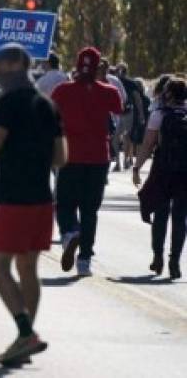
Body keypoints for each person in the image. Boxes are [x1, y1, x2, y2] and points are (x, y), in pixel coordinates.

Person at [0, 44, 67, 367]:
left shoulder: (6, 104)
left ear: (15, 63)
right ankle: (24, 338)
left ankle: (25, 332)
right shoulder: (48, 105)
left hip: (13, 198)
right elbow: (61, 157)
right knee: (28, 268)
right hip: (43, 198)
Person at [51, 47, 122, 277]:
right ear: (99, 67)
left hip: (70, 156)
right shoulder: (109, 92)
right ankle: (84, 260)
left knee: (64, 204)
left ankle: (71, 233)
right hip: (98, 158)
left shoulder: (62, 91)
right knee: (90, 210)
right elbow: (120, 111)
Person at [133, 76, 187, 280]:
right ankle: (175, 261)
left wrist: (137, 167)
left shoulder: (159, 114)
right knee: (180, 218)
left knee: (161, 215)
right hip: (184, 172)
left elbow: (147, 145)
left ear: (169, 94)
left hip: (163, 169)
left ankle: (158, 257)